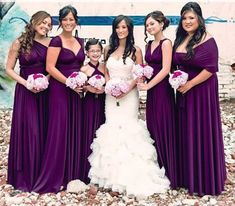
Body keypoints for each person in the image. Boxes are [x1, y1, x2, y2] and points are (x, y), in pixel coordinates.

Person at [88, 15, 170, 198]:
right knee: (112, 129)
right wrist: (109, 86)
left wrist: (126, 89)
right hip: (111, 97)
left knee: (129, 130)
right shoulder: (108, 49)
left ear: (129, 29)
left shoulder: (136, 50)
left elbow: (139, 75)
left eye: (124, 27)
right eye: (118, 27)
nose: (120, 30)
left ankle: (132, 175)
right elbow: (106, 71)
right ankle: (111, 177)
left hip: (129, 95)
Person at [173, 2, 226, 196]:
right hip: (184, 91)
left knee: (200, 130)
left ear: (199, 19)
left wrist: (190, 84)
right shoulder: (181, 38)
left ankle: (204, 180)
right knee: (186, 130)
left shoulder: (207, 39)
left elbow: (210, 69)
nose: (187, 21)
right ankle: (188, 176)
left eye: (191, 18)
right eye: (184, 18)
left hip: (201, 92)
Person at [33, 5, 85, 193]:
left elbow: (81, 66)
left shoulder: (80, 40)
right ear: (60, 22)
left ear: (76, 21)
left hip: (77, 91)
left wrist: (84, 82)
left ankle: (73, 173)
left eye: (72, 19)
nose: (69, 22)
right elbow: (50, 67)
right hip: (59, 90)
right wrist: (69, 82)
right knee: (59, 129)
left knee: (74, 129)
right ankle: (55, 176)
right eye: (65, 19)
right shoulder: (56, 41)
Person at [5, 11, 52, 192]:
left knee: (44, 129)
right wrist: (26, 83)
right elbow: (9, 69)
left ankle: (42, 175)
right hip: (26, 92)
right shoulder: (19, 42)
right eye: (43, 22)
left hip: (45, 91)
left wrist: (45, 80)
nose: (45, 26)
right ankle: (25, 177)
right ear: (33, 22)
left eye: (49, 24)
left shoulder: (51, 43)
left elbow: (52, 66)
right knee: (29, 130)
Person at [138, 11, 177, 188]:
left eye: (152, 24)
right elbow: (150, 67)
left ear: (162, 24)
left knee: (163, 124)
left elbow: (165, 69)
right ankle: (157, 166)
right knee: (152, 124)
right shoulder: (149, 44)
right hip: (152, 90)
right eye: (147, 25)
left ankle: (170, 169)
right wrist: (142, 75)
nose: (149, 27)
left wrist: (148, 85)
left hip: (162, 89)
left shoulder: (166, 43)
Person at [80, 39, 106, 183]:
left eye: (97, 51)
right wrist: (87, 88)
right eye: (92, 51)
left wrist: (105, 89)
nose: (95, 53)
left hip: (102, 104)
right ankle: (86, 171)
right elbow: (80, 86)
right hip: (89, 104)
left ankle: (101, 171)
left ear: (101, 52)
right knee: (89, 132)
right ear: (87, 53)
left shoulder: (104, 67)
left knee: (101, 133)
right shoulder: (83, 69)